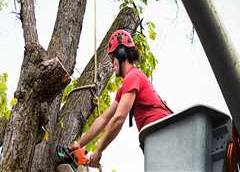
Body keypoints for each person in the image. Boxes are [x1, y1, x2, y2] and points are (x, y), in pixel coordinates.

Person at [69, 29, 173, 168]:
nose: (112, 64)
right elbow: (104, 119)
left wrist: (99, 149)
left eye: (112, 58)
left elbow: (118, 119)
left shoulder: (133, 76)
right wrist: (79, 144)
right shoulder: (125, 87)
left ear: (121, 54)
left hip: (166, 133)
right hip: (157, 137)